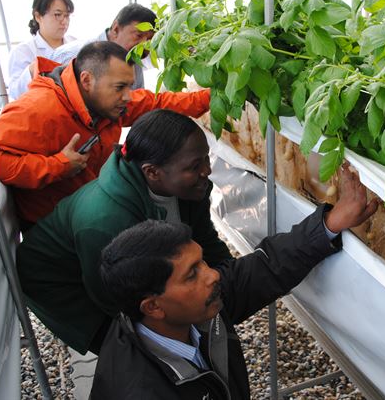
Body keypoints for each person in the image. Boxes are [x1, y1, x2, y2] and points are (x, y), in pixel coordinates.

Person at [90, 165, 379, 399]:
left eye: (202, 261)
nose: (213, 274)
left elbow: (264, 269)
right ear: (153, 306)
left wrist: (329, 225)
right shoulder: (139, 389)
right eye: (192, 273)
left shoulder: (183, 313)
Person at [16, 109, 233, 355]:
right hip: (62, 281)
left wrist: (233, 282)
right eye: (195, 166)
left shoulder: (191, 187)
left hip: (98, 267)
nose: (207, 170)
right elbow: (112, 297)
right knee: (130, 346)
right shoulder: (107, 220)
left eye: (206, 158)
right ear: (152, 172)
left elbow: (205, 240)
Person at [0, 41, 210, 227]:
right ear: (87, 80)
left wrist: (213, 97)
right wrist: (55, 166)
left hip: (92, 209)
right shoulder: (39, 110)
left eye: (130, 86)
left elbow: (157, 102)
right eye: (120, 87)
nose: (127, 96)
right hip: (56, 229)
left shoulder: (104, 102)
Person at [50, 3, 156, 90]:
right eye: (138, 35)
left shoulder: (133, 60)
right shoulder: (69, 56)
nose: (144, 45)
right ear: (116, 29)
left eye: (150, 40)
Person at [8, 0, 75, 100]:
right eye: (58, 15)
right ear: (38, 16)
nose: (64, 21)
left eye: (67, 16)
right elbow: (16, 94)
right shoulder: (23, 51)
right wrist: (31, 70)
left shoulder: (74, 44)